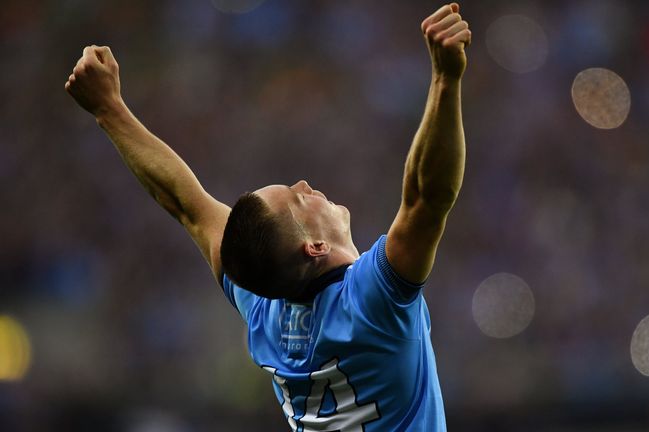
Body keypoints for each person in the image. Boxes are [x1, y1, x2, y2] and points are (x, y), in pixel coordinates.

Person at [65, 3, 470, 430]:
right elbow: (428, 195)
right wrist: (446, 78)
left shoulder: (264, 311)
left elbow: (184, 201)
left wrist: (109, 110)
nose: (304, 185)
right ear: (314, 247)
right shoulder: (372, 300)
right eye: (297, 201)